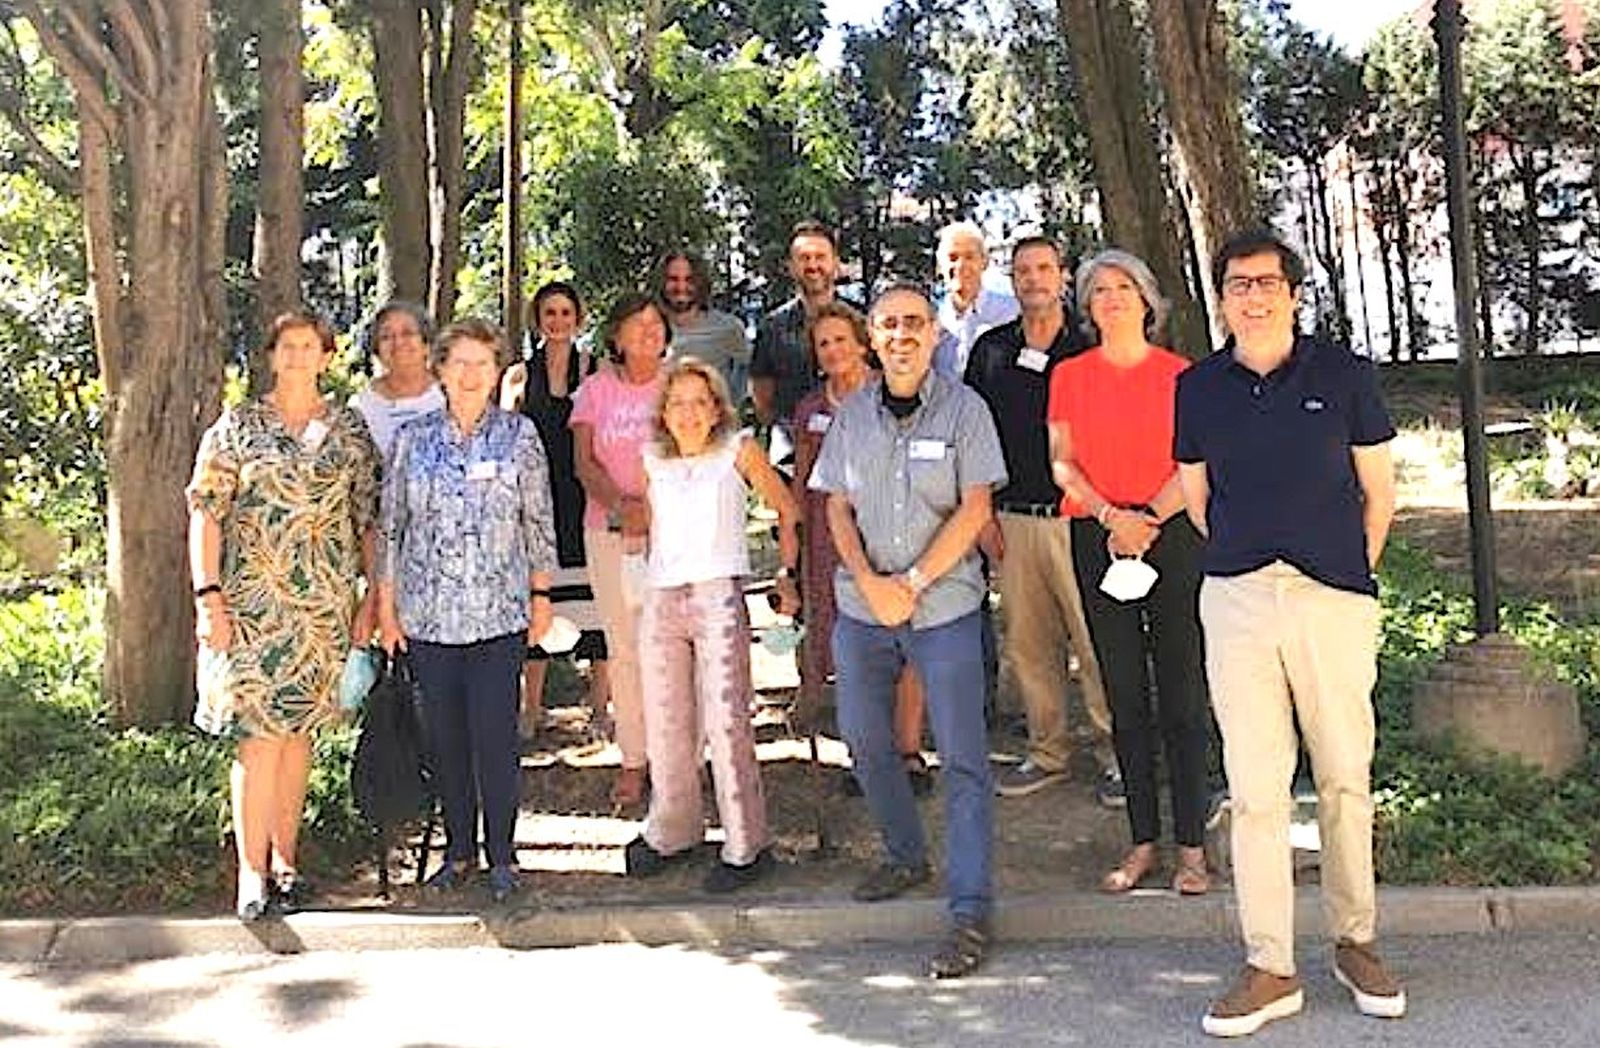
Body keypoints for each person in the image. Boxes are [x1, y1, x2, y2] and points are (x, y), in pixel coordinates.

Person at [1175, 230, 1402, 1036]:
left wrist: (1341, 575)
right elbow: (1199, 503)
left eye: (1269, 282)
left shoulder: (1344, 376)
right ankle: (1270, 965)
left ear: (1295, 293)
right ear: (1223, 297)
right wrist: (1250, 572)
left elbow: (1380, 495)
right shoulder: (1198, 389)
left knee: (1345, 777)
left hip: (1331, 596)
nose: (1255, 296)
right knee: (1256, 792)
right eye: (1239, 284)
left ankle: (1357, 942)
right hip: (1236, 599)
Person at [810, 283, 1007, 979]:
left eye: (914, 324)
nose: (901, 335)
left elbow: (976, 505)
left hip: (944, 604)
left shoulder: (966, 410)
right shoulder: (851, 416)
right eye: (889, 324)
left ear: (932, 335)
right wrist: (868, 581)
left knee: (961, 758)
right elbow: (836, 508)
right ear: (872, 334)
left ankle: (969, 908)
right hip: (864, 610)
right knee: (865, 742)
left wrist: (914, 584)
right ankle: (904, 855)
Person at [188, 311, 381, 922]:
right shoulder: (238, 428)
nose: (298, 356)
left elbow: (369, 519)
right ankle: (251, 874)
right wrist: (207, 596)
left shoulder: (348, 429)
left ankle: (288, 864)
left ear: (327, 356)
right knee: (259, 738)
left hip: (322, 609)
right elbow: (205, 513)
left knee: (298, 737)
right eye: (287, 347)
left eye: (310, 346)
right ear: (271, 356)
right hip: (251, 608)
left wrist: (372, 597)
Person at [1046, 249, 1211, 897]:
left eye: (1124, 286)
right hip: (1099, 536)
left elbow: (1197, 463)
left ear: (1148, 301)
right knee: (1123, 696)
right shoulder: (1070, 376)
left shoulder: (1183, 376)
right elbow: (1063, 463)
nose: (1112, 298)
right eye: (1100, 290)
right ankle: (1143, 841)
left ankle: (1193, 848)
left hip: (1171, 536)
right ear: (1087, 307)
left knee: (1183, 693)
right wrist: (1115, 517)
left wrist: (1146, 519)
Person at [377, 318, 557, 904]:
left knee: (494, 737)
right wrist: (387, 603)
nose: (472, 374)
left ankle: (503, 854)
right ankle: (459, 851)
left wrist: (542, 594)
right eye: (460, 362)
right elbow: (390, 528)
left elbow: (539, 520)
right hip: (428, 616)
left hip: (499, 616)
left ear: (497, 370)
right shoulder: (413, 439)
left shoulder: (519, 436)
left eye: (483, 363)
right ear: (441, 370)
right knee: (447, 740)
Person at [624, 357, 800, 892]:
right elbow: (640, 527)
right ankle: (672, 829)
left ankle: (746, 842)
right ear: (664, 410)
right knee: (666, 720)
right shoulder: (651, 459)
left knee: (726, 720)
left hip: (718, 595)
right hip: (661, 597)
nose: (689, 413)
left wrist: (788, 575)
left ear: (717, 407)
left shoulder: (737, 450)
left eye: (700, 401)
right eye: (677, 402)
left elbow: (787, 509)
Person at [963, 236, 1115, 801]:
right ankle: (1048, 751)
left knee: (1098, 638)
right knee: (1029, 644)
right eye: (1022, 270)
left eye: (1044, 268)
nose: (1033, 279)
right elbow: (971, 436)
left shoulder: (1089, 344)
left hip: (1082, 516)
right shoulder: (990, 350)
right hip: (1013, 520)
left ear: (1064, 275)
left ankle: (1117, 753)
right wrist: (981, 515)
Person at [791, 304, 929, 795]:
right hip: (830, 543)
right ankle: (866, 755)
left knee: (905, 639)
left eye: (840, 340)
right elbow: (802, 486)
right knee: (854, 649)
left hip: (892, 533)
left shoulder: (891, 394)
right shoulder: (810, 410)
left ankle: (908, 750)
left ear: (862, 342)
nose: (832, 351)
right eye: (823, 343)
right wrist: (794, 551)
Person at [570, 293, 670, 810]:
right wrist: (620, 506)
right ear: (617, 336)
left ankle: (678, 761)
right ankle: (635, 759)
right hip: (607, 534)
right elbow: (583, 462)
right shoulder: (594, 391)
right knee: (625, 649)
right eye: (638, 324)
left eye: (656, 323)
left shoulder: (679, 382)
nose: (650, 331)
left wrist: (652, 509)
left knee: (674, 647)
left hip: (673, 533)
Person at [500, 282, 609, 742]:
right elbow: (504, 438)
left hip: (587, 499)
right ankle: (532, 708)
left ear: (578, 318)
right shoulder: (518, 377)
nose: (558, 321)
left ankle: (600, 704)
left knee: (599, 605)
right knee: (538, 602)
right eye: (550, 313)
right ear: (537, 318)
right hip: (536, 503)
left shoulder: (596, 370)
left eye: (566, 312)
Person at [750, 220, 856, 446]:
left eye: (820, 257)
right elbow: (762, 398)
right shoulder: (771, 328)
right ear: (791, 266)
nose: (813, 265)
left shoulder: (861, 323)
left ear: (835, 263)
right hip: (791, 447)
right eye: (804, 258)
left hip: (853, 445)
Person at [352, 300, 446, 462]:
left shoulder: (450, 396)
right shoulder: (360, 406)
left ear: (427, 345)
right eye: (386, 336)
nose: (398, 342)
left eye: (408, 333)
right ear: (377, 350)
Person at [657, 250, 751, 400]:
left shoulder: (728, 328)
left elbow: (749, 374)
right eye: (673, 279)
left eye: (689, 280)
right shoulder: (647, 330)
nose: (681, 287)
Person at [931, 220, 1018, 379]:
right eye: (952, 257)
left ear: (984, 262)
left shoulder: (1011, 312)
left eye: (969, 256)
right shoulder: (931, 321)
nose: (960, 265)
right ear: (939, 266)